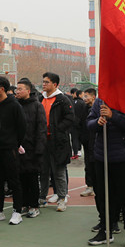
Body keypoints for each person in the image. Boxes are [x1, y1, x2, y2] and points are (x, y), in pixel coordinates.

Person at [86, 97, 125, 247]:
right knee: (104, 196)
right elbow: (89, 123)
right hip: (102, 156)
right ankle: (105, 230)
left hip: (124, 156)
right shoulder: (100, 101)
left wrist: (112, 116)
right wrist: (97, 123)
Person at [0, 76, 26, 225]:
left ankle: (17, 211)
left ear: (2, 89)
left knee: (14, 181)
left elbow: (22, 127)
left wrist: (15, 144)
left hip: (10, 149)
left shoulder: (14, 105)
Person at [39, 72, 75, 211]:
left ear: (55, 84)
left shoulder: (62, 100)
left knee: (59, 171)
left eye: (46, 82)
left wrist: (57, 130)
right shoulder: (40, 99)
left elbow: (70, 118)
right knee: (43, 171)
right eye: (43, 81)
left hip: (58, 142)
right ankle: (42, 198)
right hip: (43, 141)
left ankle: (62, 199)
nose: (44, 84)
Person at [15, 78, 46, 219]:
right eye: (17, 89)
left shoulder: (37, 106)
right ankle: (23, 203)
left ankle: (34, 205)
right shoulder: (16, 105)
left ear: (28, 90)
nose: (17, 91)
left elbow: (41, 128)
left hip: (32, 148)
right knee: (20, 178)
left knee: (32, 177)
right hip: (18, 148)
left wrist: (39, 149)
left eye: (20, 89)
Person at [79, 88, 97, 197]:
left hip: (96, 143)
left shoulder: (98, 108)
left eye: (86, 96)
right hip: (87, 142)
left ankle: (97, 186)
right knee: (88, 164)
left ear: (93, 97)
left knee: (96, 165)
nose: (84, 98)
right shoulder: (84, 109)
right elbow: (81, 124)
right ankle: (89, 186)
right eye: (84, 96)